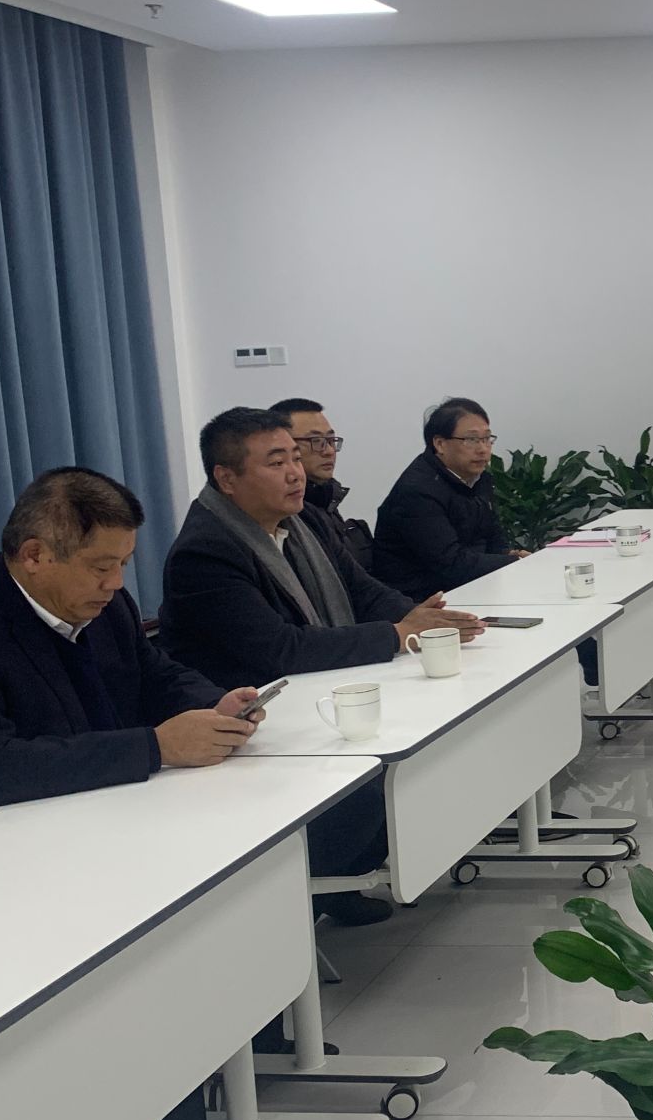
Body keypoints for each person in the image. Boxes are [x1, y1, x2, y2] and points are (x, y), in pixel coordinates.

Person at [0, 468, 261, 1120]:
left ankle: (242, 1031)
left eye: (123, 564)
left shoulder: (104, 607)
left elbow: (153, 675)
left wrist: (214, 704)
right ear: (35, 555)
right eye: (100, 566)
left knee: (207, 909)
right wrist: (157, 747)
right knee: (139, 961)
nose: (115, 584)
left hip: (96, 824)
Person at [160, 408, 487, 926]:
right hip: (260, 728)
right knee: (378, 776)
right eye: (276, 463)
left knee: (430, 737)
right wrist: (398, 634)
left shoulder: (304, 520)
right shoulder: (205, 553)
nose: (295, 472)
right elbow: (282, 650)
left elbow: (361, 588)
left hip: (318, 698)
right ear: (226, 478)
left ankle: (348, 872)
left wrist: (420, 617)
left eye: (295, 457)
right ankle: (317, 882)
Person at [373, 396, 526, 601]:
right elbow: (450, 564)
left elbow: (494, 539)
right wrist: (515, 562)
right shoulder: (417, 492)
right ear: (440, 444)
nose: (483, 449)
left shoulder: (479, 479)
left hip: (471, 588)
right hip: (422, 602)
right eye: (471, 440)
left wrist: (509, 557)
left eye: (487, 439)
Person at [270, 397, 373, 570]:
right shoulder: (285, 512)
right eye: (316, 441)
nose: (329, 451)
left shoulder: (326, 498)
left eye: (331, 440)